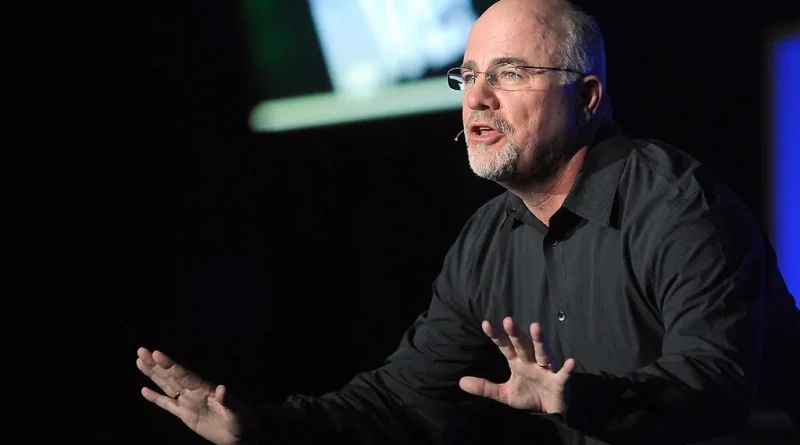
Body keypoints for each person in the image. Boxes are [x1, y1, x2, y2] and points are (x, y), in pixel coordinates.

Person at [135, 0, 800, 444]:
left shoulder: (681, 206)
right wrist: (256, 426)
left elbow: (718, 386)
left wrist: (583, 397)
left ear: (587, 97)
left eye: (508, 73)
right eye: (468, 75)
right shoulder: (488, 241)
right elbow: (402, 401)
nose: (476, 97)